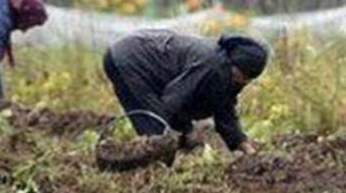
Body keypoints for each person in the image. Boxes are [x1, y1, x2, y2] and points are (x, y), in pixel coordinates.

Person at [102, 30, 266, 154]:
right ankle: (150, 173)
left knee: (171, 133)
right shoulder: (212, 65)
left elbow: (225, 110)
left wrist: (244, 146)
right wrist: (183, 132)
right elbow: (174, 98)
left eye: (250, 79)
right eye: (245, 76)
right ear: (236, 64)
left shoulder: (228, 74)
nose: (245, 82)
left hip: (140, 61)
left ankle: (163, 163)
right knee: (157, 131)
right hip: (130, 59)